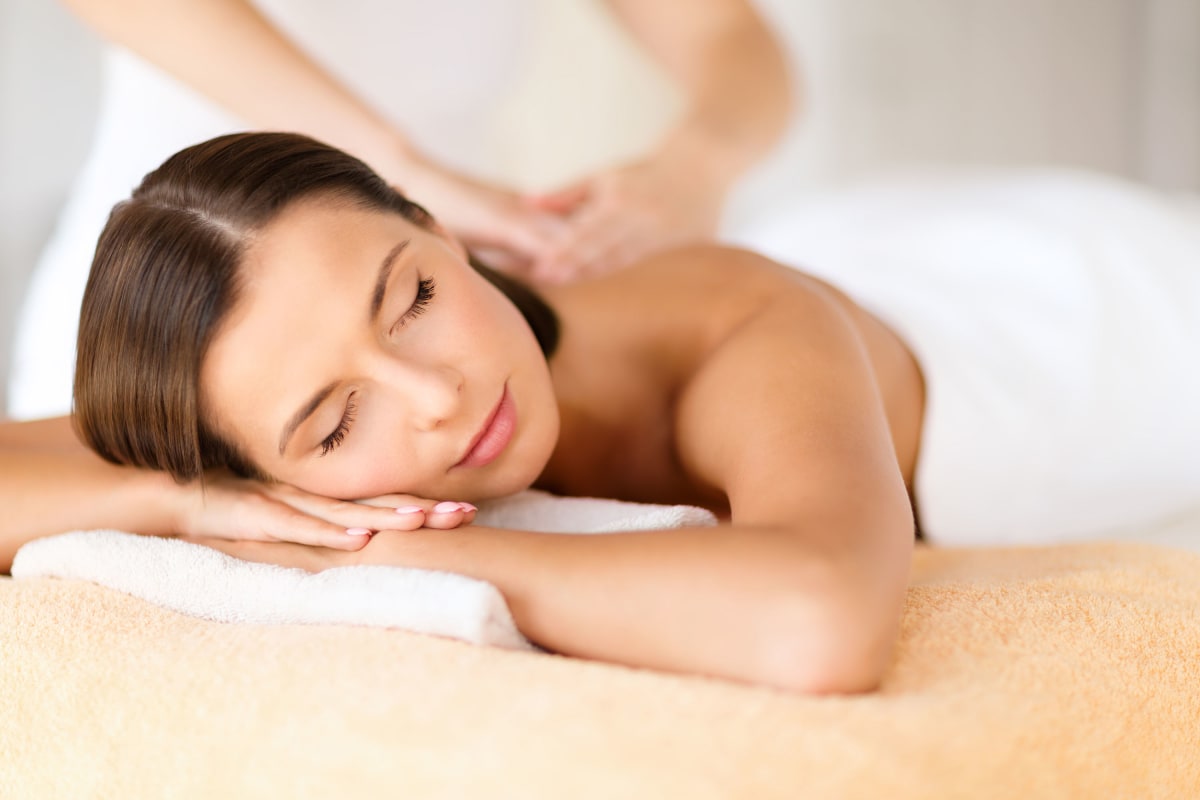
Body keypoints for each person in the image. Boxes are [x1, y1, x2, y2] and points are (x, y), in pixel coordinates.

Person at [3, 134, 1198, 693]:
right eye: (330, 428)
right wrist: (181, 496)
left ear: (442, 228)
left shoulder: (733, 332)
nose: (438, 393)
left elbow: (815, 620)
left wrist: (392, 541)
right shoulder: (242, 398)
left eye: (414, 294)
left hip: (1088, 326)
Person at [8, 0, 794, 420]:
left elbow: (726, 29)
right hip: (168, 316)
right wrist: (399, 172)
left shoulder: (436, 329)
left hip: (448, 271)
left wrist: (693, 167)